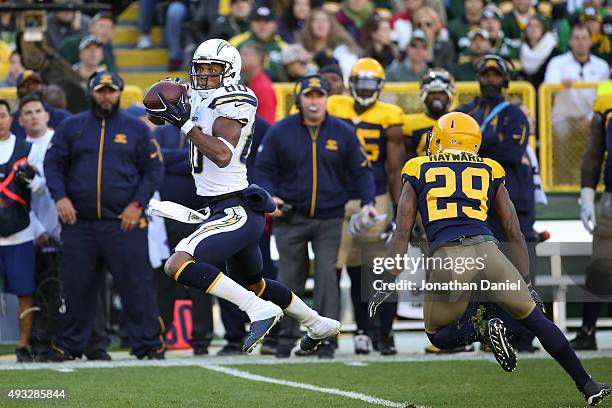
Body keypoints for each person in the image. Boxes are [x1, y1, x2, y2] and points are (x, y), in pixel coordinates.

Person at [368, 111, 612, 407]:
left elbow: (403, 229)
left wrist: (388, 278)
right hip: (489, 251)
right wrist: (524, 281)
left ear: (440, 139)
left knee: (438, 335)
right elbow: (512, 227)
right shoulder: (489, 168)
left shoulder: (418, 167)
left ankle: (482, 329)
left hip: (450, 256)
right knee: (535, 319)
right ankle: (587, 384)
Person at [146, 39, 341, 355]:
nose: (205, 76)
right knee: (255, 283)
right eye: (201, 69)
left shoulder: (236, 98)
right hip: (223, 208)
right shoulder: (199, 97)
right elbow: (158, 116)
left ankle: (258, 310)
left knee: (178, 264)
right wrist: (164, 104)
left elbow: (222, 154)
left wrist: (183, 121)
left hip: (234, 207)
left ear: (230, 71)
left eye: (213, 69)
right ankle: (317, 322)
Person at [44, 71, 165, 360]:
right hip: (79, 224)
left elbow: (154, 169)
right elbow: (52, 164)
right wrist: (59, 197)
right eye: (101, 90)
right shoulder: (71, 127)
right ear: (90, 92)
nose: (106, 96)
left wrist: (138, 204)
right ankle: (70, 345)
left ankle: (149, 345)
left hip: (124, 223)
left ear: (120, 92)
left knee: (136, 286)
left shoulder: (136, 129)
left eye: (111, 90)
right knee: (76, 287)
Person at [254, 73, 376, 358]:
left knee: (327, 278)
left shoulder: (343, 131)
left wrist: (368, 202)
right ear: (299, 99)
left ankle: (325, 340)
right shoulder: (280, 131)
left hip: (329, 218)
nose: (314, 101)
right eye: (308, 95)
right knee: (288, 278)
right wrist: (271, 195)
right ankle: (284, 340)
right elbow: (263, 171)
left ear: (326, 98)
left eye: (319, 95)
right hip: (288, 217)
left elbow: (362, 170)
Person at [456, 55, 538, 352]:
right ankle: (490, 331)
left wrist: (477, 144)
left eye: (495, 75)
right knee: (484, 268)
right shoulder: (466, 110)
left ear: (504, 80)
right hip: (479, 203)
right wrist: (491, 139)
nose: (490, 80)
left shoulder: (515, 114)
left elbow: (511, 152)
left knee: (519, 263)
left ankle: (525, 333)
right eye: (485, 74)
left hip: (512, 197)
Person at [326, 58, 404, 355]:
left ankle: (382, 332)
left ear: (380, 87)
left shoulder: (390, 115)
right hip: (340, 196)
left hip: (376, 194)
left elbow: (394, 168)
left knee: (379, 269)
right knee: (342, 266)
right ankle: (353, 331)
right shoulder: (335, 106)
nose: (365, 89)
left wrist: (397, 209)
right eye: (360, 83)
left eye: (370, 84)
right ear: (351, 84)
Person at [0, 98, 47, 362]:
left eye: (3, 115)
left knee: (25, 292)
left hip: (20, 231)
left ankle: (22, 344)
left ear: (10, 118)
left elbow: (41, 188)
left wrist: (29, 179)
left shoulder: (26, 148)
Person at [571, 91, 612, 351]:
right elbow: (594, 152)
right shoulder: (606, 103)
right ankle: (588, 331)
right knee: (600, 266)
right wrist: (587, 197)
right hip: (611, 198)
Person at [403, 68, 455, 159]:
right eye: (432, 93)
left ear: (449, 95)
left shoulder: (459, 122)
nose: (437, 97)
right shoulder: (411, 124)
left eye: (441, 93)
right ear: (424, 95)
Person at [229, 6, 287, 82]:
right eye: (258, 21)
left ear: (275, 25)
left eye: (266, 21)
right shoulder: (236, 43)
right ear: (251, 23)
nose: (262, 26)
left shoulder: (283, 47)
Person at [11, 70, 71, 140]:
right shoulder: (10, 122)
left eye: (35, 84)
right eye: (25, 85)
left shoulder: (61, 116)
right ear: (17, 91)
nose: (30, 88)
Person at [240, 42, 277, 124]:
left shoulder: (264, 88)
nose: (240, 58)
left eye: (245, 54)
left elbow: (266, 124)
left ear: (258, 59)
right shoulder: (247, 83)